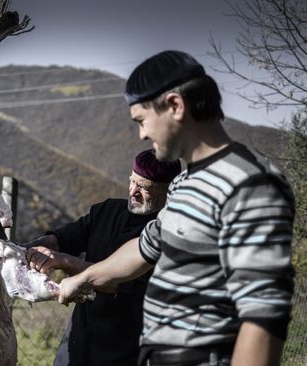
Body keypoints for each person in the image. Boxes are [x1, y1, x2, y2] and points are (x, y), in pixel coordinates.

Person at [57, 50, 295, 366]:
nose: (142, 134)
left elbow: (264, 314)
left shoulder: (250, 184)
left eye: (142, 120)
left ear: (175, 106)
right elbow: (143, 250)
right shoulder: (186, 184)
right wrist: (84, 277)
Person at [24, 149, 181, 366]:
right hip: (77, 341)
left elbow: (117, 283)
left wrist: (63, 261)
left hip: (124, 349)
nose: (133, 192)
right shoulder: (107, 211)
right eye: (132, 181)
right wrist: (22, 249)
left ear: (168, 191)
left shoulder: (167, 236)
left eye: (144, 188)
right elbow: (63, 238)